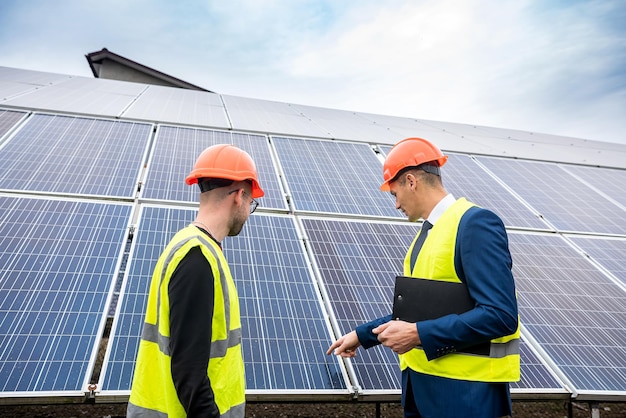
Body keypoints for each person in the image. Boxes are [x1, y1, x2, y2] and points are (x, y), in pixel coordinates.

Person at [327, 137, 520, 418]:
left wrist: (418, 334)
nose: (396, 205)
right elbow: (416, 313)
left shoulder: (475, 223)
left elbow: (500, 315)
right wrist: (362, 335)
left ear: (411, 181)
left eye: (395, 194)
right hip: (422, 389)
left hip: (465, 396)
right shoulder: (425, 236)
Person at [127, 144, 264, 418]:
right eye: (252, 202)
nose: (249, 211)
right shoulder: (197, 258)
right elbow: (189, 371)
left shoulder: (192, 248)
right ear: (238, 196)